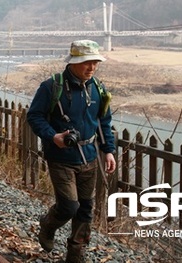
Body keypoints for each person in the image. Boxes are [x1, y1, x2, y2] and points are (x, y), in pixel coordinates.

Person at [26, 39, 116, 263]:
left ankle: (75, 255)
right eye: (87, 62)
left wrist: (109, 151)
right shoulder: (51, 87)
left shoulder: (98, 88)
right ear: (74, 62)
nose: (92, 67)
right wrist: (52, 136)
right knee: (69, 206)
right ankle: (48, 225)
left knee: (85, 209)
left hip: (90, 158)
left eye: (95, 62)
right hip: (62, 157)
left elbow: (104, 121)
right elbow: (34, 116)